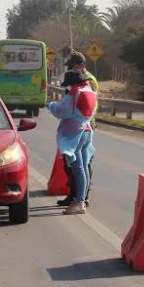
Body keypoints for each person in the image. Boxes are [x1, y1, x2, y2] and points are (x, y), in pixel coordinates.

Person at [47, 69, 97, 215]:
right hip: (87, 130)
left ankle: (80, 202)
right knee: (84, 168)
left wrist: (51, 105)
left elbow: (62, 111)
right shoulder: (89, 91)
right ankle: (81, 199)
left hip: (75, 134)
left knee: (78, 169)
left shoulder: (74, 95)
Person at [57, 52, 100, 207]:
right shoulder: (74, 78)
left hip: (84, 125)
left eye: (74, 65)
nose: (72, 68)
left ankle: (82, 197)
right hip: (75, 124)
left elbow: (90, 104)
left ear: (81, 64)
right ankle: (74, 195)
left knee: (83, 163)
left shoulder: (88, 80)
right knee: (71, 165)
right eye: (70, 66)